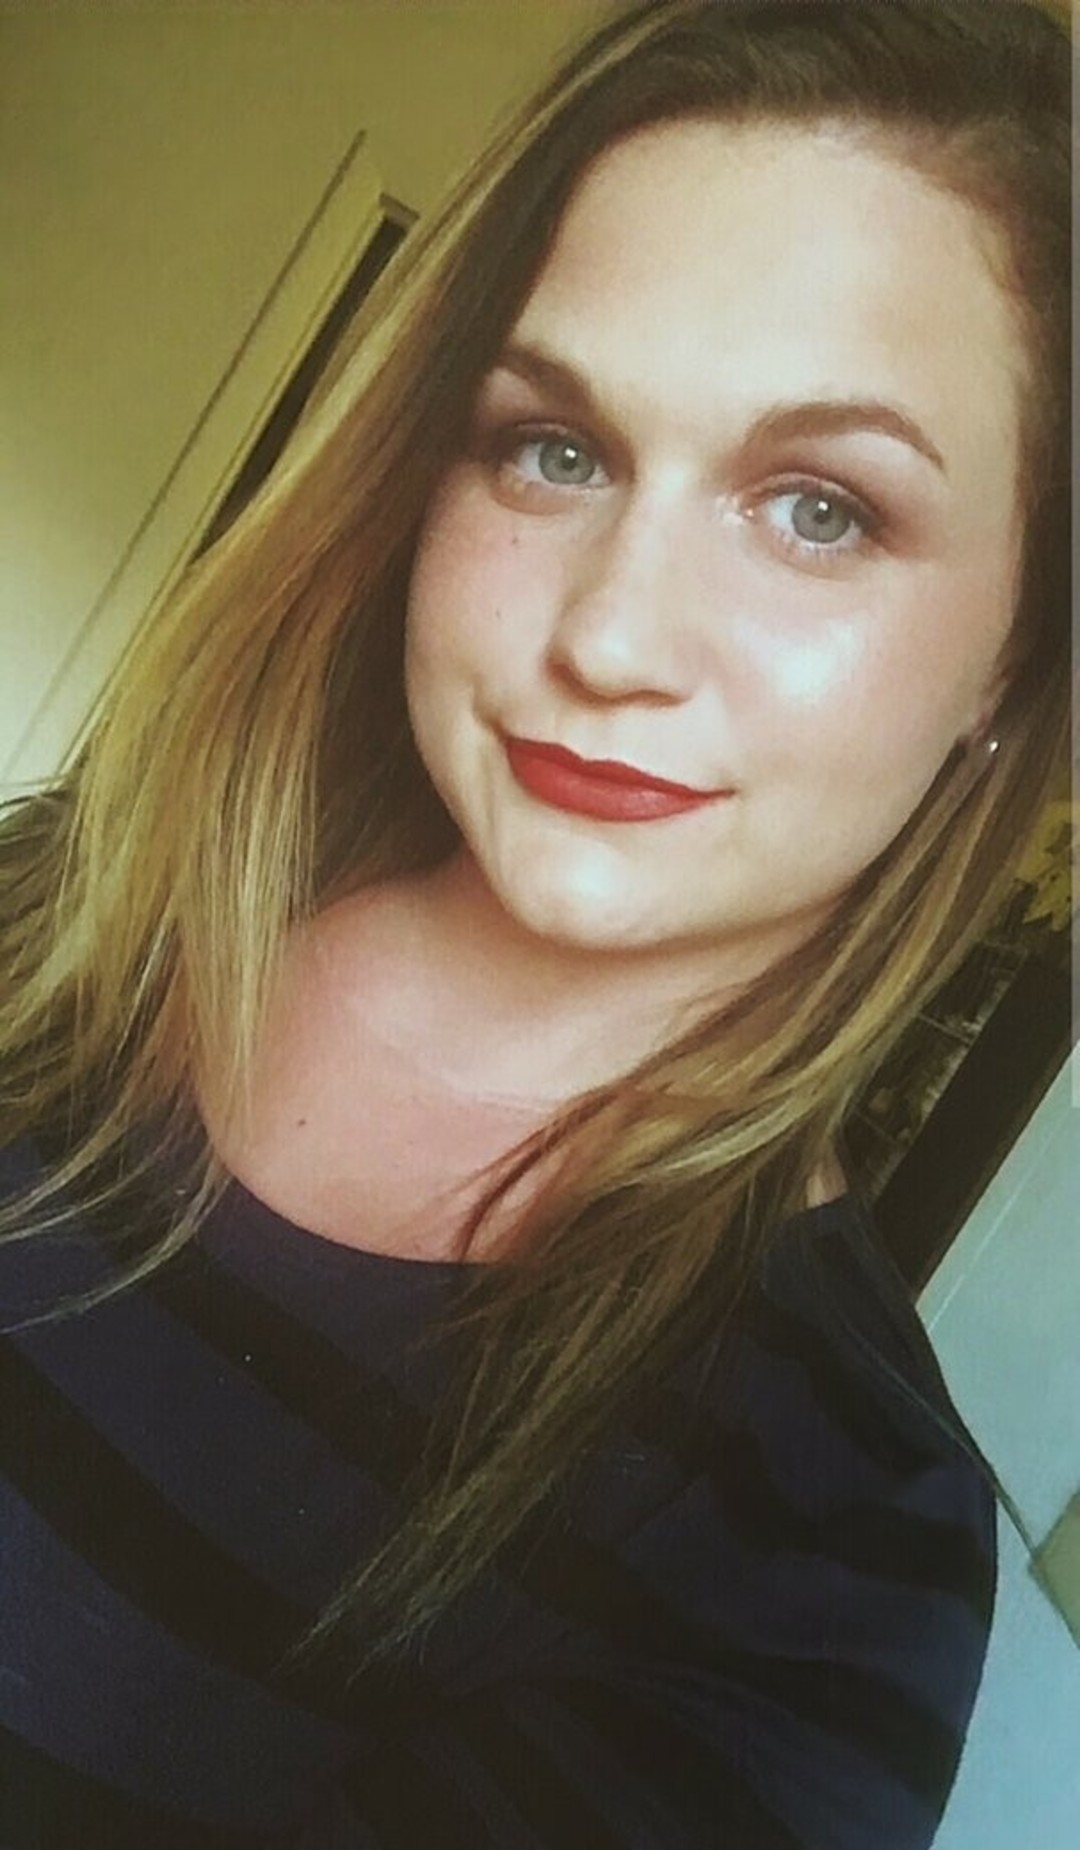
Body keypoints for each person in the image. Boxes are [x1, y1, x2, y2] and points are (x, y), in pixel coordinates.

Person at [0, 1, 1070, 1844]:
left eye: (821, 509)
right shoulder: (48, 910)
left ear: (1015, 653)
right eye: (554, 448)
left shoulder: (823, 1559)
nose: (611, 635)